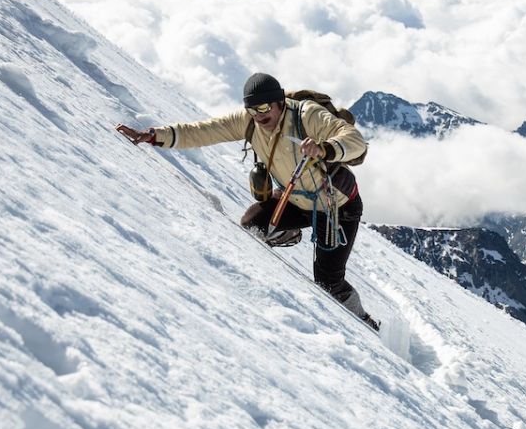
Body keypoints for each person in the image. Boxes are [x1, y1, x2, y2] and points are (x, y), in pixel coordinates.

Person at [118, 73, 377, 329]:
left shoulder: (306, 115)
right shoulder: (250, 122)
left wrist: (325, 149)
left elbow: (354, 141)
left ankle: (364, 322)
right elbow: (204, 131)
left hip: (336, 208)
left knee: (328, 281)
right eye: (252, 109)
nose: (258, 115)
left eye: (264, 108)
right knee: (252, 225)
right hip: (295, 199)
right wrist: (154, 135)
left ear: (279, 103)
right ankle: (288, 233)